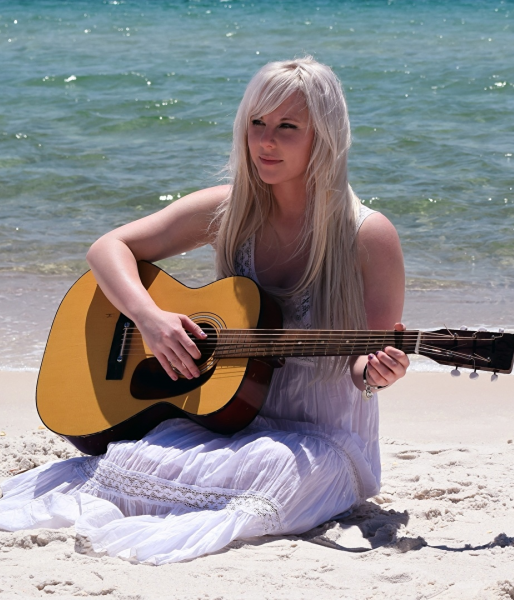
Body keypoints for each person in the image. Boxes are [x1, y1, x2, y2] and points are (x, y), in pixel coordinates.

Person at [0, 57, 409, 564]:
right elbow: (108, 248)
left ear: (323, 136)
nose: (266, 141)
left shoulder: (368, 235)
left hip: (323, 437)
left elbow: (364, 364)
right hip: (228, 419)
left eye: (287, 127)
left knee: (277, 468)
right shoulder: (231, 208)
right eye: (257, 124)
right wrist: (150, 318)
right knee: (135, 455)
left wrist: (376, 373)